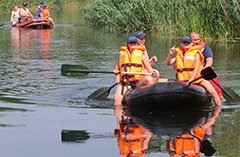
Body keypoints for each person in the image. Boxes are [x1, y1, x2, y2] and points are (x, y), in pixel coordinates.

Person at [166, 36, 221, 106]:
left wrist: (190, 81)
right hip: (183, 79)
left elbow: (196, 69)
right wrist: (170, 54)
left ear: (191, 44)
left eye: (188, 42)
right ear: (181, 44)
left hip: (197, 78)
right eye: (184, 42)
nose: (186, 44)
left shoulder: (196, 53)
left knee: (212, 91)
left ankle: (219, 107)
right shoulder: (178, 54)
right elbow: (168, 63)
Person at [113, 36, 159, 105]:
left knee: (149, 79)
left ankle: (150, 98)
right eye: (131, 43)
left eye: (134, 42)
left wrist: (153, 73)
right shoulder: (122, 55)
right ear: (127, 44)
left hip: (138, 81)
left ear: (137, 44)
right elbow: (117, 69)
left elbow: (150, 69)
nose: (133, 44)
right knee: (117, 102)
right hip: (126, 83)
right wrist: (116, 71)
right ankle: (121, 114)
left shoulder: (141, 55)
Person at [190, 32, 224, 102]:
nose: (197, 42)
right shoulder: (186, 49)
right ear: (190, 40)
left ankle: (220, 98)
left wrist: (205, 71)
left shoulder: (205, 48)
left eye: (198, 39)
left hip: (202, 74)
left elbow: (209, 60)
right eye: (194, 40)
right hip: (189, 74)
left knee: (214, 83)